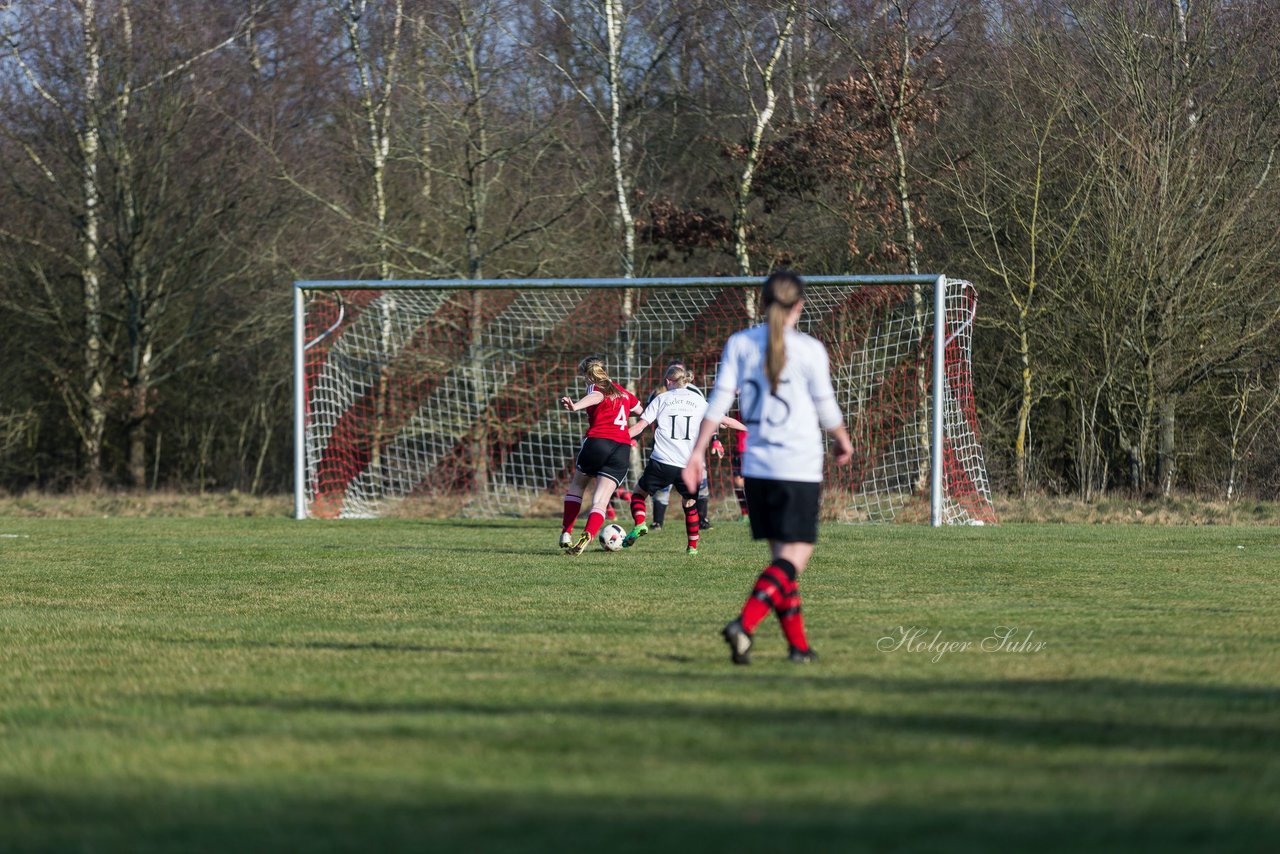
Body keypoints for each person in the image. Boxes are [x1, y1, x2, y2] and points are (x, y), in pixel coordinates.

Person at [683, 271, 854, 664]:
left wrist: (697, 454)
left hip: (758, 468)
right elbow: (826, 406)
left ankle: (799, 648)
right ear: (800, 306)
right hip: (797, 466)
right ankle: (743, 624)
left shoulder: (740, 343)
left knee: (782, 564)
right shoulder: (810, 349)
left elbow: (718, 401)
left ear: (762, 303)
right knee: (792, 562)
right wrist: (842, 439)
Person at [625, 364, 744, 554]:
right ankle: (692, 548)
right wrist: (749, 429)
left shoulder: (661, 398)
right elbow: (726, 421)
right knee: (690, 504)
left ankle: (640, 524)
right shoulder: (699, 401)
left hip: (662, 461)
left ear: (667, 381)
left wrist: (617, 436)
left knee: (639, 494)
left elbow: (640, 427)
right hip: (688, 466)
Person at [558, 355, 643, 556]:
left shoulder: (595, 387)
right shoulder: (623, 391)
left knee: (578, 485)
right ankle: (588, 533)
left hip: (598, 442)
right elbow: (641, 411)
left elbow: (596, 396)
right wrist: (625, 427)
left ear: (587, 376)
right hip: (621, 448)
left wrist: (575, 406)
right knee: (601, 500)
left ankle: (566, 533)